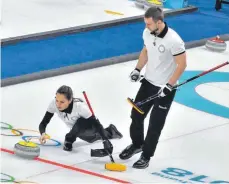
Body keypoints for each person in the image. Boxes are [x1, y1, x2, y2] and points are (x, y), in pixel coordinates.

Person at [119, 7, 187, 169]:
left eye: (149, 24)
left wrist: (169, 85)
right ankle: (137, 144)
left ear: (159, 22)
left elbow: (182, 65)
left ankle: (146, 155)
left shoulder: (174, 41)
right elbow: (145, 51)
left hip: (165, 88)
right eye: (145, 23)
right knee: (136, 115)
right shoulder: (147, 33)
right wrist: (137, 69)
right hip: (148, 82)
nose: (146, 26)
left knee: (155, 124)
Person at [38, 85, 122, 155]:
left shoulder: (80, 107)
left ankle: (69, 139)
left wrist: (105, 141)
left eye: (62, 102)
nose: (58, 104)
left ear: (70, 100)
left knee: (85, 129)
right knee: (90, 138)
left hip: (88, 125)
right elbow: (44, 122)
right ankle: (111, 130)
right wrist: (43, 133)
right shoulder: (54, 104)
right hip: (76, 130)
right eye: (57, 100)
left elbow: (96, 124)